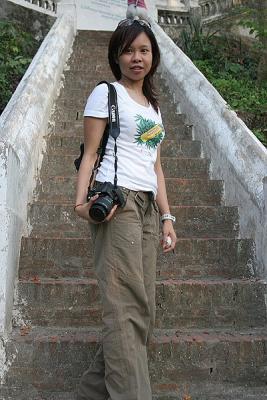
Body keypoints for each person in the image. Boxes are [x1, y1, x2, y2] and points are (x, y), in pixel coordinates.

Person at [74, 18, 177, 400]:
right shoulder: (107, 94)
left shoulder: (153, 107)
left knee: (140, 308)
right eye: (129, 50)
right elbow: (89, 155)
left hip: (148, 208)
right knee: (125, 307)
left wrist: (167, 217)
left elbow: (155, 165)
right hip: (117, 203)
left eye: (144, 50)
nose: (137, 57)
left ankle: (90, 392)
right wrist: (80, 203)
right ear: (117, 55)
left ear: (153, 56)